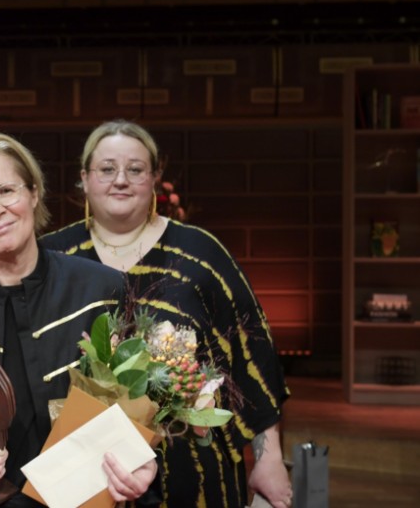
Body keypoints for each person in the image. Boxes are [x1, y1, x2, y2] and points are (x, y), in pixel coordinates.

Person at [40, 119, 292, 508]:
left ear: (155, 177)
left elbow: (254, 355)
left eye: (135, 169)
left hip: (194, 466)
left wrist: (269, 458)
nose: (120, 179)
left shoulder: (202, 254)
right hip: (84, 464)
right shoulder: (53, 256)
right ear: (85, 179)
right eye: (107, 169)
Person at [0, 131, 158, 507]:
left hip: (89, 498)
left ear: (34, 192)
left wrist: (142, 461)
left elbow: (143, 403)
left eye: (6, 191)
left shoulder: (102, 288)